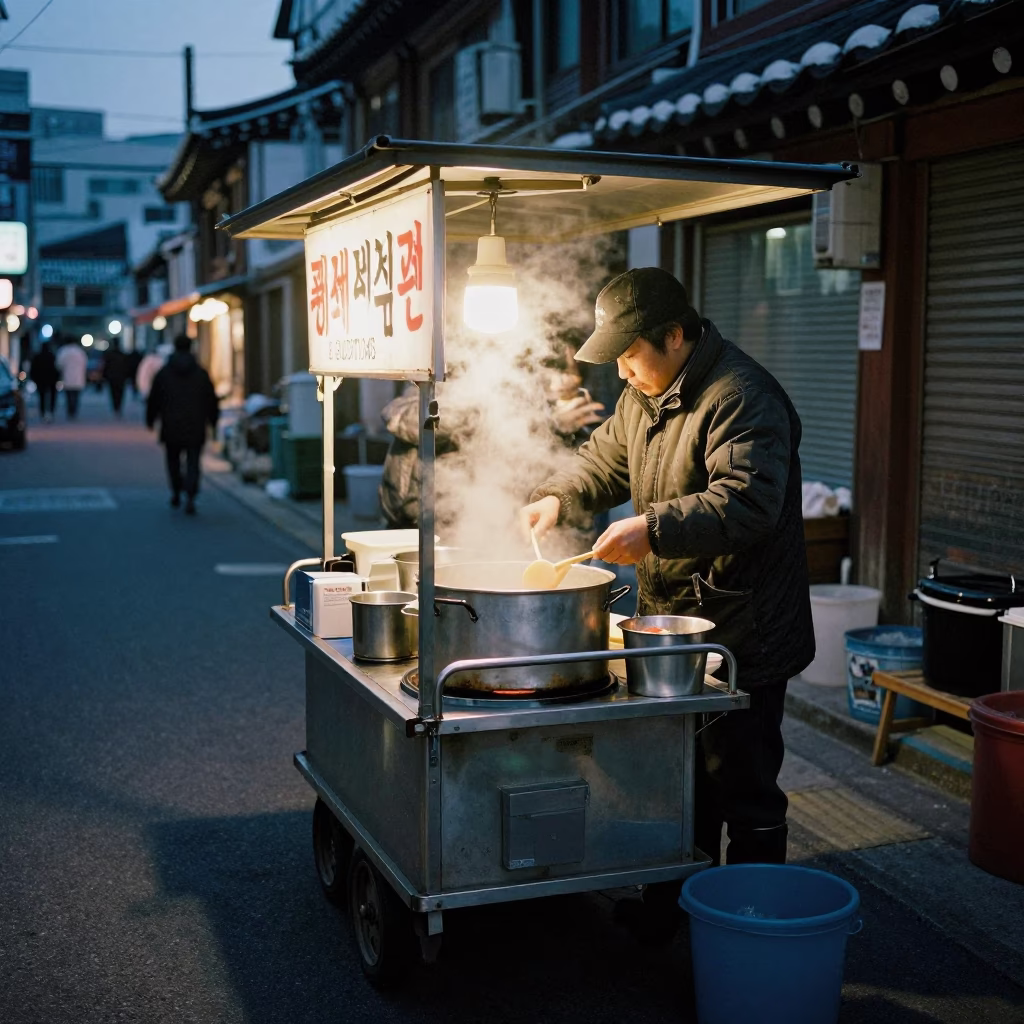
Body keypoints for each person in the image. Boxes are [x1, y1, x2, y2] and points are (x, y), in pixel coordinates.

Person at [520, 267, 814, 876]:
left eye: (629, 356)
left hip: (743, 629)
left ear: (675, 336)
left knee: (743, 780)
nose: (621, 373)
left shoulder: (740, 395)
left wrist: (652, 531)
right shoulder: (644, 396)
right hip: (677, 629)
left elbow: (748, 500)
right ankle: (676, 907)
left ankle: (750, 911)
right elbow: (602, 461)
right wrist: (557, 497)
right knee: (679, 773)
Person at [146, 334, 219, 515]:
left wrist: (150, 419)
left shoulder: (163, 374)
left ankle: (176, 490)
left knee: (173, 460)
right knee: (193, 460)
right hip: (196, 424)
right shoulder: (201, 374)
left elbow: (154, 399)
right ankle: (191, 495)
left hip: (170, 424)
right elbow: (211, 400)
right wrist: (213, 421)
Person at [55, 336, 88, 419]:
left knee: (69, 396)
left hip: (67, 377)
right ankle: (74, 410)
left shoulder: (64, 351)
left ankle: (70, 410)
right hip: (78, 377)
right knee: (76, 396)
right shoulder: (80, 351)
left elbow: (58, 364)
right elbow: (85, 363)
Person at [29, 341, 59, 422]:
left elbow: (33, 369)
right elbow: (57, 368)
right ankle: (51, 412)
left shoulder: (37, 356)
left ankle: (43, 413)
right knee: (52, 397)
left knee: (42, 397)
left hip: (41, 380)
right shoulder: (52, 356)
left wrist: (34, 379)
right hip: (51, 380)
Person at [102, 338, 129, 417]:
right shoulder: (122, 355)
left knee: (113, 392)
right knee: (120, 392)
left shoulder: (109, 355)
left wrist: (105, 375)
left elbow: (106, 366)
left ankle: (116, 406)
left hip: (112, 376)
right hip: (121, 376)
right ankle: (118, 406)